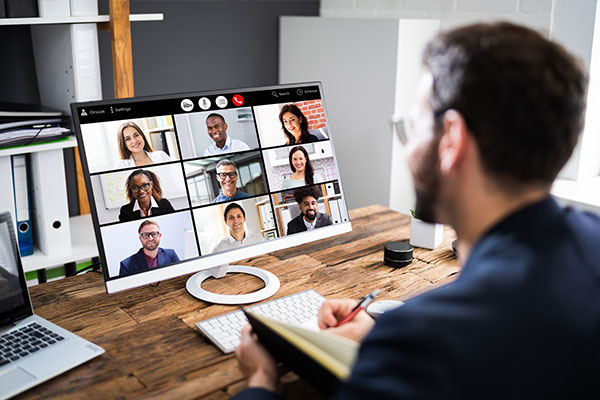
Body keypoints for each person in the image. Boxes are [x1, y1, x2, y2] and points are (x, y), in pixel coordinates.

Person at [233, 22, 600, 399]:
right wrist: (375, 331)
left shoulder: (420, 343)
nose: (408, 147)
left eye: (416, 124)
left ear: (451, 140)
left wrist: (261, 380)